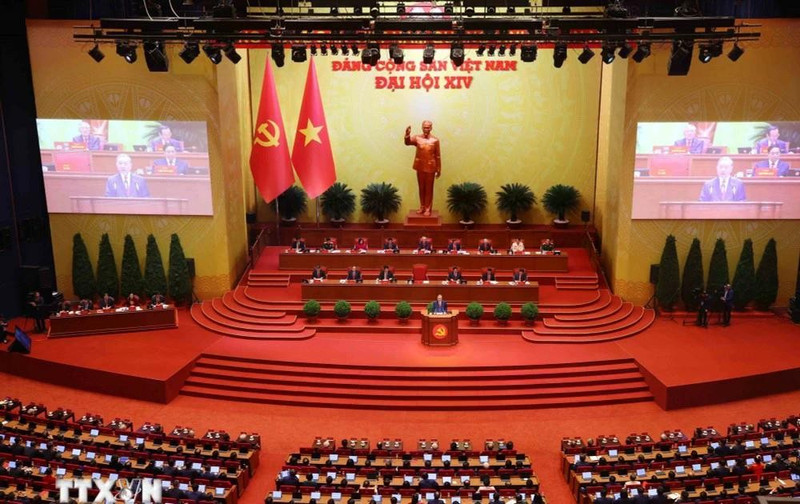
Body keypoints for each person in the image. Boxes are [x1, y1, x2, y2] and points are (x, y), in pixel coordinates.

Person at [404, 120, 441, 216]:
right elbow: (407, 143)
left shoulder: (435, 140)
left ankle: (428, 208)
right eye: (424, 127)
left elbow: (438, 156)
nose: (426, 129)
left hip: (431, 168)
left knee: (429, 188)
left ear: (431, 128)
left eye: (428, 127)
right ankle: (422, 206)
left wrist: (439, 169)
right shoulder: (417, 138)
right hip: (420, 166)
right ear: (422, 127)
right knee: (421, 188)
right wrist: (407, 135)